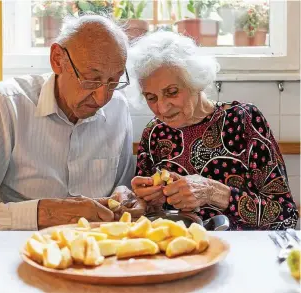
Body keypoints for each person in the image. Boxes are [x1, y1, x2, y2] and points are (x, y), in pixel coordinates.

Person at [0, 15, 145, 237]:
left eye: (114, 81)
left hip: (97, 254)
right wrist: (47, 213)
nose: (103, 97)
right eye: (91, 79)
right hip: (21, 251)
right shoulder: (7, 103)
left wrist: (126, 197)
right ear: (57, 59)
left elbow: (122, 189)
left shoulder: (118, 107)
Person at [128, 31, 299, 230]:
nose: (162, 107)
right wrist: (147, 203)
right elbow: (145, 220)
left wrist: (212, 191)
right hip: (180, 253)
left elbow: (285, 215)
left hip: (243, 250)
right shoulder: (154, 134)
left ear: (195, 82)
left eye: (172, 92)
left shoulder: (243, 120)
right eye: (151, 97)